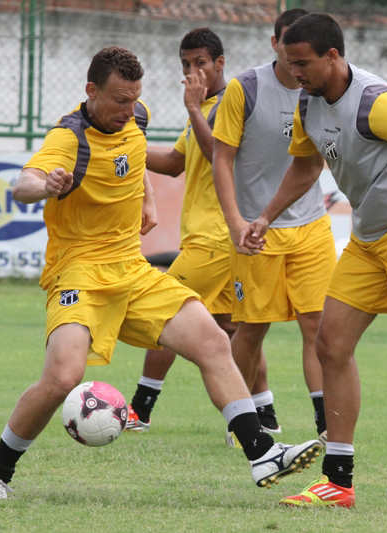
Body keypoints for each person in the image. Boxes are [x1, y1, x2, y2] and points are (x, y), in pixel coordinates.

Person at [0, 46, 321, 500]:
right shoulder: (68, 138)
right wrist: (46, 185)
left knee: (213, 341)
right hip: (78, 274)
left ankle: (261, 453)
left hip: (132, 271)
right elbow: (22, 185)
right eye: (118, 99)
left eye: (134, 98)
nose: (127, 109)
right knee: (62, 378)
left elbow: (133, 159)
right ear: (90, 91)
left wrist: (147, 200)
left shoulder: (137, 116)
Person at [239, 13, 387, 514]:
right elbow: (306, 165)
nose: (294, 73)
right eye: (288, 63)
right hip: (369, 236)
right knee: (331, 344)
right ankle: (338, 481)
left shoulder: (377, 103)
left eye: (302, 63)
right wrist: (265, 216)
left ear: (332, 56)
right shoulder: (308, 101)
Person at [125, 28, 283, 439]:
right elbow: (177, 161)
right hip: (212, 239)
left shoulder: (229, 103)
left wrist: (194, 110)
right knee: (233, 328)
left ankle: (141, 408)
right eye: (185, 64)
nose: (192, 71)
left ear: (219, 63)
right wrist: (124, 141)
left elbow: (221, 158)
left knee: (165, 310)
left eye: (200, 63)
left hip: (217, 236)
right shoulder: (204, 106)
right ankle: (264, 414)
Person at [211, 8, 334, 446]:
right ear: (274, 44)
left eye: (304, 57)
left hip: (312, 224)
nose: (296, 63)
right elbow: (220, 159)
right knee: (252, 328)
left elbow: (317, 161)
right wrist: (235, 222)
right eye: (288, 51)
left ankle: (326, 423)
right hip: (256, 232)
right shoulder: (245, 88)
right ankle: (240, 419)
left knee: (318, 326)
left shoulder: (321, 90)